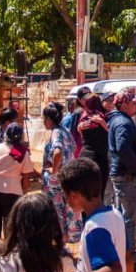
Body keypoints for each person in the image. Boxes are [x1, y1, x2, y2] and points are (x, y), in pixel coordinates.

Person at [60, 158, 133, 272]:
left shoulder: (95, 226)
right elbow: (128, 259)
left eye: (67, 197)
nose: (67, 202)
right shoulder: (115, 214)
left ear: (74, 195)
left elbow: (114, 270)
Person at [107, 90, 136, 272]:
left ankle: (125, 254)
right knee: (129, 219)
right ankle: (130, 257)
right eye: (133, 102)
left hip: (126, 176)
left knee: (126, 217)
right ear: (124, 104)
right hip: (129, 177)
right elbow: (123, 147)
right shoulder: (123, 123)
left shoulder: (120, 121)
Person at [0, 123, 37, 239]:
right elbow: (26, 177)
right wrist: (24, 192)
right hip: (13, 191)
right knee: (11, 226)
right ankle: (9, 251)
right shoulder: (23, 152)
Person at [41, 104, 82, 244]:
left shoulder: (56, 132)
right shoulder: (66, 131)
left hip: (57, 181)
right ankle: (64, 242)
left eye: (44, 118)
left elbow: (57, 151)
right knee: (67, 210)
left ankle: (59, 244)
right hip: (68, 177)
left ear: (49, 119)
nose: (43, 121)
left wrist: (53, 172)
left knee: (57, 211)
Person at [77, 95, 110, 203]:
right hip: (99, 160)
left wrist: (79, 128)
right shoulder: (103, 117)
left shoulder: (83, 119)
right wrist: (102, 123)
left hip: (84, 158)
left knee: (84, 190)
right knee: (99, 192)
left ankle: (84, 217)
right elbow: (111, 135)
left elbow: (82, 138)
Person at [63, 87, 91, 157]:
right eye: (84, 99)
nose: (87, 101)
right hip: (80, 149)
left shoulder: (94, 111)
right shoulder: (78, 113)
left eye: (89, 98)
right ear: (79, 100)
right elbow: (73, 133)